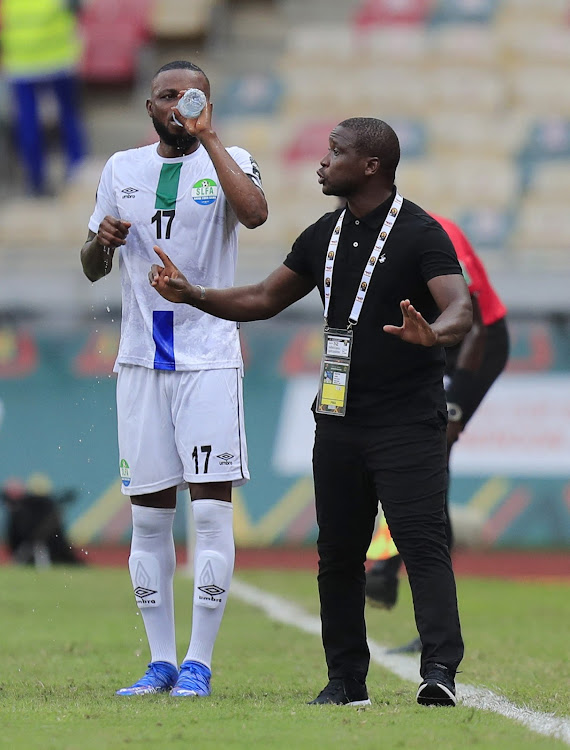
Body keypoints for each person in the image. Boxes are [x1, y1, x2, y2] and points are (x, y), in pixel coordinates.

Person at [148, 117, 472, 707]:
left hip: (406, 421)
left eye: (335, 152)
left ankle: (438, 672)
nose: (322, 162)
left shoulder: (421, 233)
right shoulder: (325, 232)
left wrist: (435, 335)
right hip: (339, 418)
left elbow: (460, 308)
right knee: (338, 554)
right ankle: (346, 679)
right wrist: (193, 293)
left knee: (422, 544)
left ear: (370, 166)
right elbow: (264, 298)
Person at [80, 60, 267, 697]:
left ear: (206, 102)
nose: (177, 106)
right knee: (149, 520)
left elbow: (257, 214)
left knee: (211, 512)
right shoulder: (120, 170)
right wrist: (101, 242)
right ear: (149, 105)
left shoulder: (231, 157)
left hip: (208, 355)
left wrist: (210, 138)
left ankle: (200, 662)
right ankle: (160, 661)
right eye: (165, 96)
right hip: (140, 359)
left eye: (190, 97)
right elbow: (89, 267)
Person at [365, 214, 509, 654]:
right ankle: (394, 574)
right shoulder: (358, 235)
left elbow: (477, 323)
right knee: (414, 461)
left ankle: (393, 572)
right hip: (428, 344)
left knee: (427, 461)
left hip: (472, 347)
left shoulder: (434, 229)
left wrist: (455, 401)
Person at [0, 0, 86, 195]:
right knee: (69, 115)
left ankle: (36, 180)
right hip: (58, 57)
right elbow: (78, 8)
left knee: (27, 121)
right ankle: (76, 171)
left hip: (20, 60)